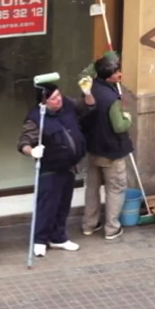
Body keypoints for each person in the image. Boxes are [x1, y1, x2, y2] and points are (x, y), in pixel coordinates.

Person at [17, 77, 95, 257]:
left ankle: (58, 238)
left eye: (58, 95)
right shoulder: (36, 118)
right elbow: (24, 142)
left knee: (62, 204)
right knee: (47, 205)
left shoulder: (67, 104)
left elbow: (88, 108)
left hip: (69, 166)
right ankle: (39, 240)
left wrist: (87, 93)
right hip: (50, 167)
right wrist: (32, 151)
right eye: (53, 98)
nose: (58, 100)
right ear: (43, 102)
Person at [80, 52, 133, 240]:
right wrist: (128, 117)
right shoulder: (112, 99)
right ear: (109, 75)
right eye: (117, 71)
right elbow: (119, 126)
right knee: (115, 188)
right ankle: (112, 228)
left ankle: (89, 224)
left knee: (92, 188)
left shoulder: (89, 87)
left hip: (92, 148)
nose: (120, 74)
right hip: (111, 151)